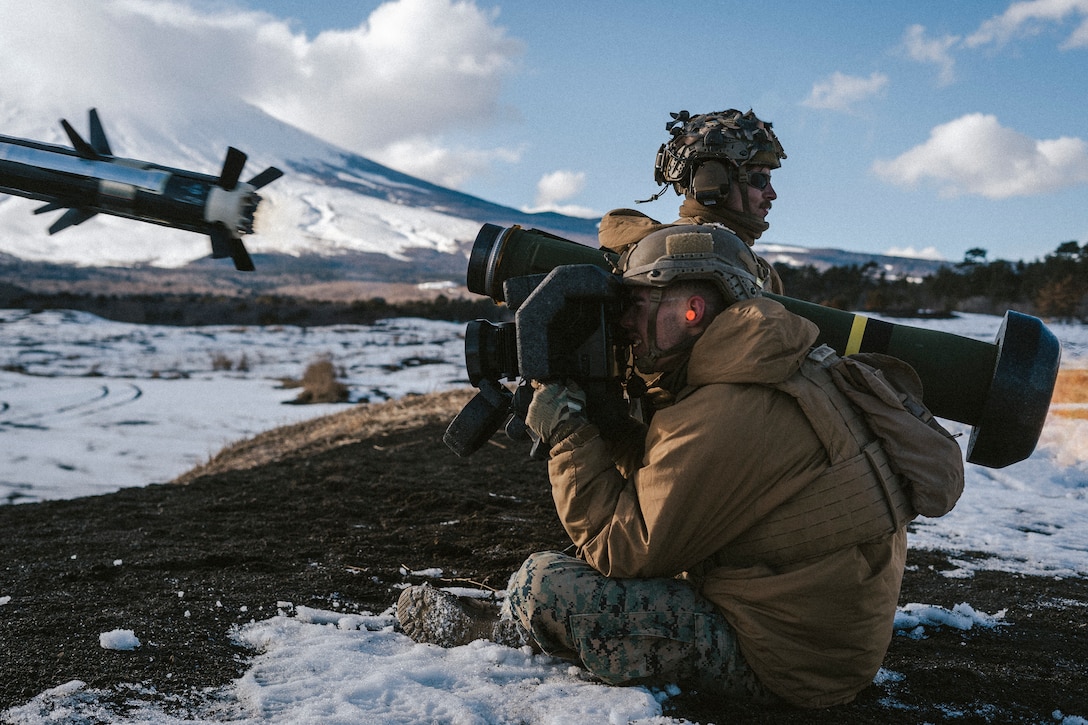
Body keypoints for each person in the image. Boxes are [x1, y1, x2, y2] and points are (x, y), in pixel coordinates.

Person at [398, 114, 964, 710]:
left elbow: (624, 548)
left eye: (643, 305)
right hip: (819, 632)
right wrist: (608, 425)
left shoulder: (729, 405)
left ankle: (504, 633)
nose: (628, 325)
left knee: (548, 582)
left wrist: (568, 436)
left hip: (788, 665)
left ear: (696, 306)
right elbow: (671, 474)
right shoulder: (762, 356)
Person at [601, 108, 787, 294]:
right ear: (713, 179)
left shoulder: (757, 268)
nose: (772, 194)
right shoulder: (692, 255)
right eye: (759, 180)